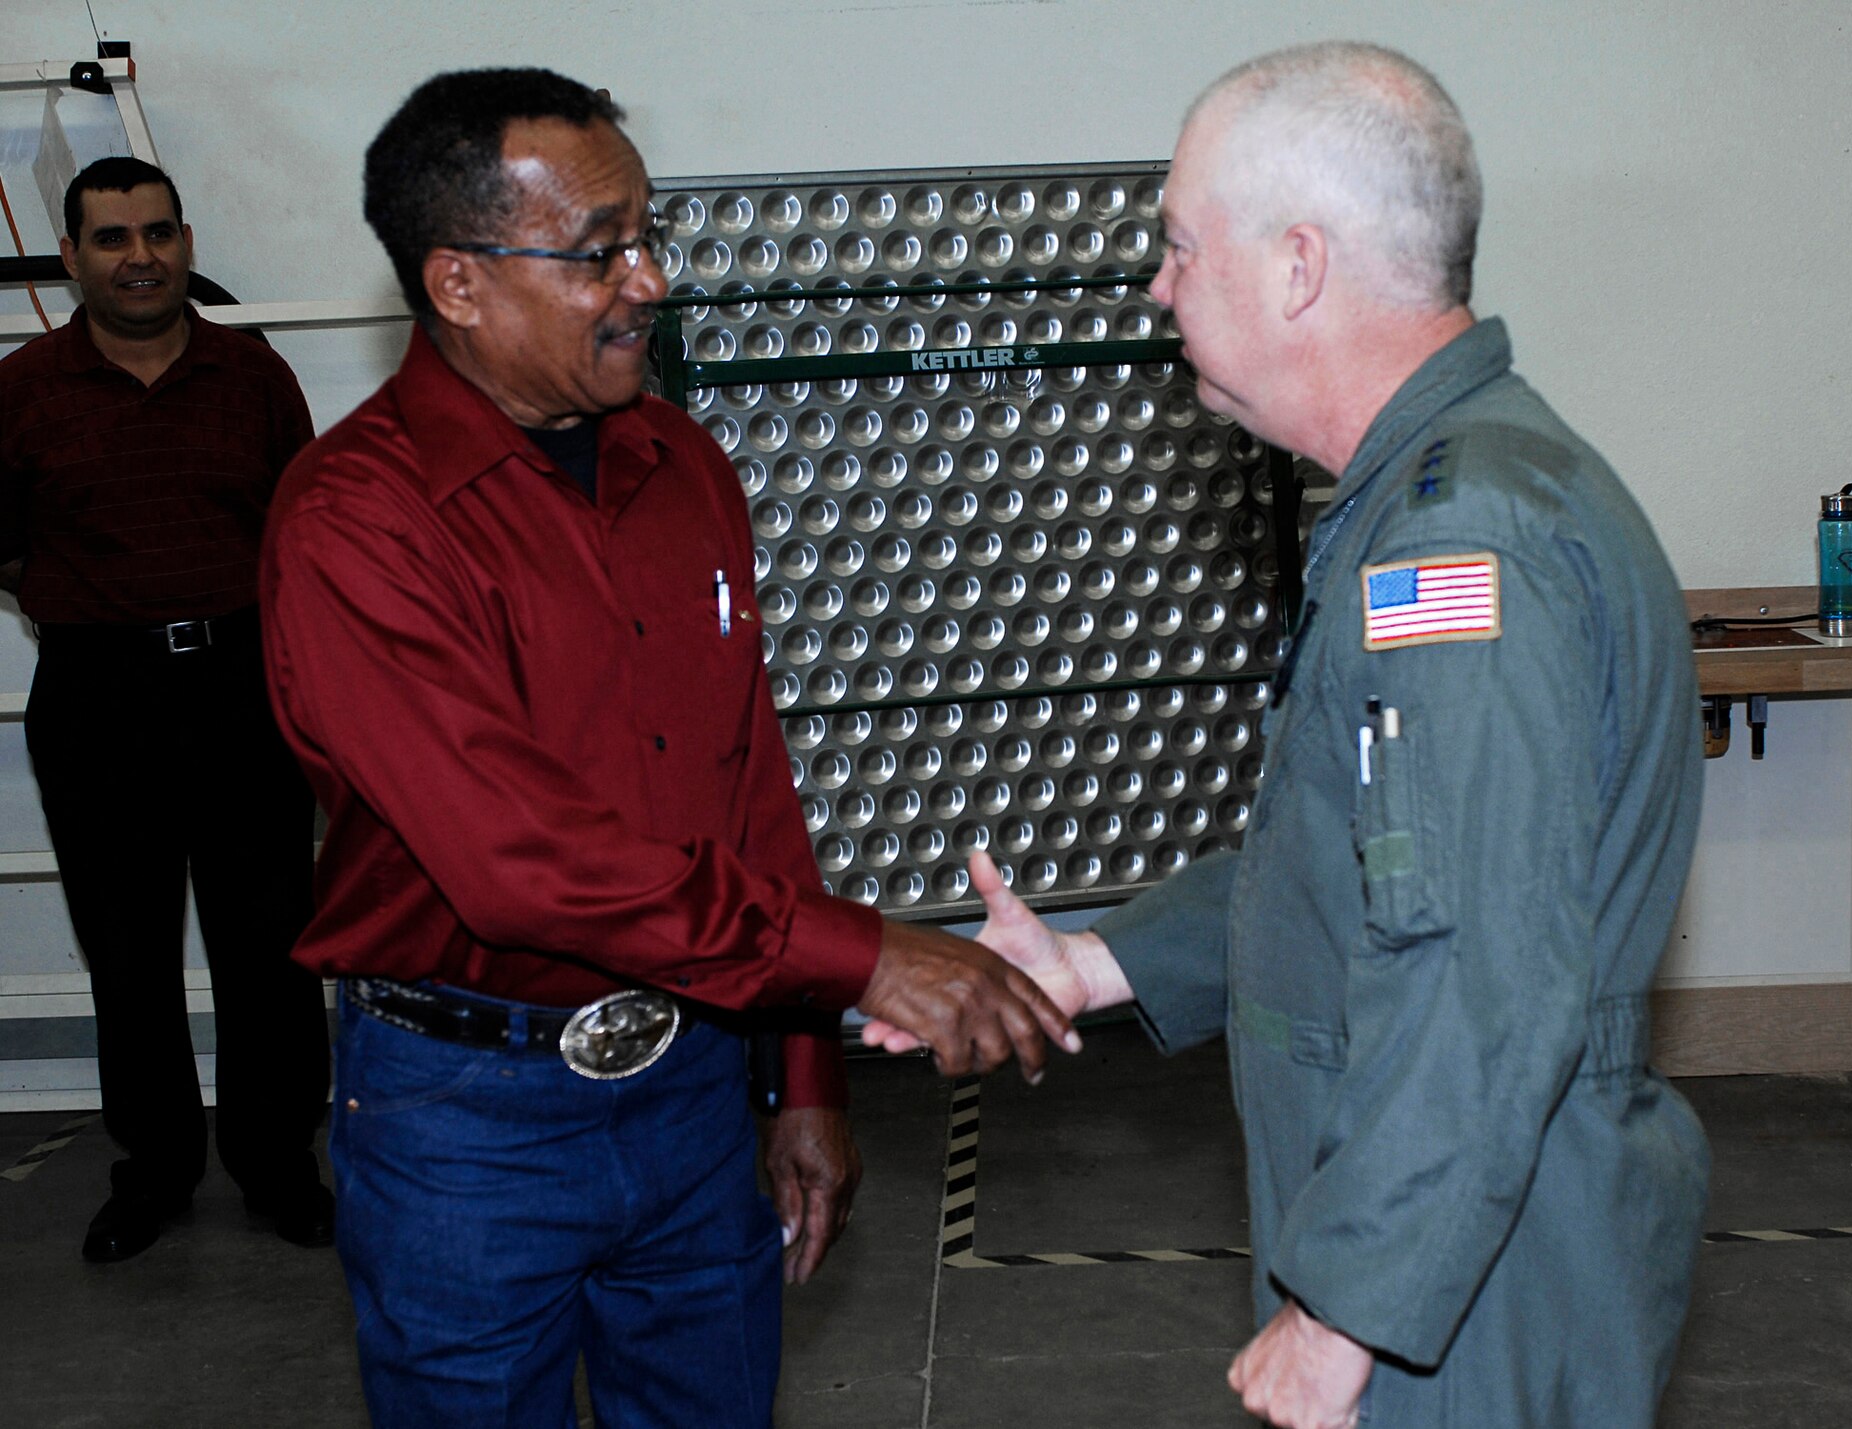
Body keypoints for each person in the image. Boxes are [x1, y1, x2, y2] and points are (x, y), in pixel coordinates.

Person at [872, 40, 1709, 1429]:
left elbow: (1483, 971)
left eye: (1181, 247)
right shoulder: (1437, 494)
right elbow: (1363, 865)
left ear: (1298, 268)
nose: (1158, 287)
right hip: (1467, 1230)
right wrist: (1092, 962)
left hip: (1464, 1283)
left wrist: (1347, 1307)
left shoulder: (1460, 546)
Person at [259, 67, 1075, 1427]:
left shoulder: (679, 466)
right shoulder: (358, 525)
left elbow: (746, 782)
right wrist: (868, 955)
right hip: (469, 1121)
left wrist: (800, 1070)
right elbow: (522, 863)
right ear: (458, 283)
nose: (647, 280)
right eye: (599, 253)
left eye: (649, 236)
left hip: (694, 1086)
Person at [0, 157, 334, 1262]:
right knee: (127, 953)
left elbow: (307, 526)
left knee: (270, 947)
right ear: (73, 258)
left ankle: (280, 1163)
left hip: (245, 684)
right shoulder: (23, 388)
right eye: (111, 238)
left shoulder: (254, 376)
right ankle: (153, 1171)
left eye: (156, 233)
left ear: (185, 244)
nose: (138, 256)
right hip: (99, 695)